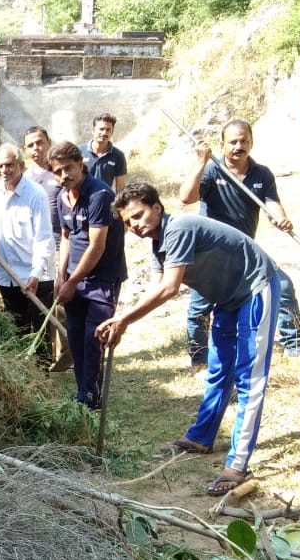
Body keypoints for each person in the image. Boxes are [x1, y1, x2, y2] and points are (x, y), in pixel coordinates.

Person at [96, 184, 280, 496]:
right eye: (129, 222)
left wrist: (124, 320)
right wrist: (120, 318)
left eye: (139, 215)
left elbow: (170, 288)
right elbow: (154, 289)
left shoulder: (178, 229)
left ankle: (237, 464)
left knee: (250, 377)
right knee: (219, 369)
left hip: (254, 288)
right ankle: (201, 436)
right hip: (226, 298)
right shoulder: (158, 245)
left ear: (157, 207)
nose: (135, 225)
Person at [178, 119, 300, 366]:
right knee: (199, 308)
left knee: (283, 287)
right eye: (233, 142)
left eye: (244, 141)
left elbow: (271, 203)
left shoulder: (262, 174)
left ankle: (296, 348)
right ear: (222, 144)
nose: (239, 146)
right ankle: (199, 359)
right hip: (211, 254)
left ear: (251, 142)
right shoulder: (211, 170)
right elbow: (186, 197)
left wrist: (280, 218)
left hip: (246, 252)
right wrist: (201, 161)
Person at [49, 142, 126, 409]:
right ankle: (83, 393)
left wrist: (72, 281)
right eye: (57, 172)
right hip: (73, 280)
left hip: (101, 279)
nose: (63, 176)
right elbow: (66, 236)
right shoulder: (62, 196)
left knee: (94, 339)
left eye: (68, 168)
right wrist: (61, 274)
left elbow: (97, 246)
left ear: (81, 164)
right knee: (76, 337)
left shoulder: (99, 195)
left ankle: (90, 399)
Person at [0, 143, 56, 365]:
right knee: (16, 325)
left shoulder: (36, 195)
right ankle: (21, 371)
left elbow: (44, 239)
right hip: (7, 273)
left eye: (9, 165)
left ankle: (42, 373)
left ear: (20, 164)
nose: (4, 171)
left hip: (36, 275)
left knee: (40, 329)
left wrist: (36, 274)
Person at [23, 125, 72, 372]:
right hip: (36, 248)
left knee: (61, 301)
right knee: (41, 302)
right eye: (30, 145)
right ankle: (45, 355)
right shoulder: (26, 177)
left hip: (61, 241)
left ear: (48, 142)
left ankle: (67, 355)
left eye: (39, 142)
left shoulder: (59, 173)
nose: (36, 148)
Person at [79, 113, 127, 192]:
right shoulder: (80, 151)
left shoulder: (118, 155)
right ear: (93, 130)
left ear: (112, 133)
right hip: (82, 201)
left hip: (105, 201)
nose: (104, 133)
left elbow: (120, 187)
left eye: (108, 130)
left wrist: (120, 204)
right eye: (101, 129)